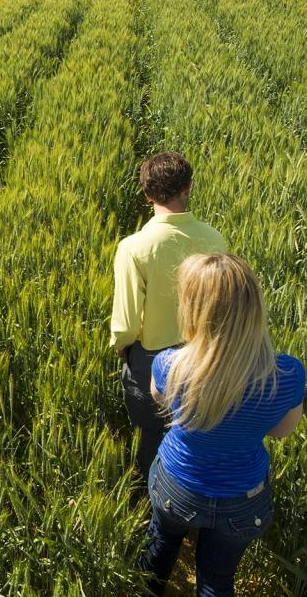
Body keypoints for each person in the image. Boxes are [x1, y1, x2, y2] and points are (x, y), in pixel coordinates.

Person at [137, 253, 306, 596]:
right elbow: (281, 431)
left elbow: (159, 399)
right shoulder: (286, 374)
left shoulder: (170, 365)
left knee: (159, 549)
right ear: (254, 306)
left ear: (194, 309)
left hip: (177, 486)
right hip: (243, 498)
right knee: (216, 579)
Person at [111, 152, 227, 478]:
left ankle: (153, 499)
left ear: (147, 194)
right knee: (195, 432)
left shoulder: (134, 248)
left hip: (149, 359)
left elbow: (126, 322)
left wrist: (127, 350)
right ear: (189, 188)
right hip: (203, 355)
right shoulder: (214, 239)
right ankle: (190, 493)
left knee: (149, 435)